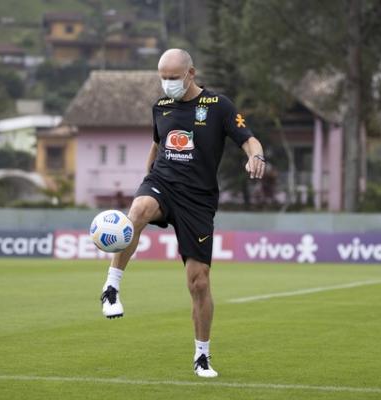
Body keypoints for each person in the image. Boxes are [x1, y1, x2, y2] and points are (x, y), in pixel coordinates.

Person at [100, 48, 265, 378]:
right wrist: (146, 179)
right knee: (140, 208)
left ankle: (201, 355)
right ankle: (111, 287)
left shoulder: (218, 107)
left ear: (191, 74)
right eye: (162, 78)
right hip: (163, 183)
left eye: (173, 78)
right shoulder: (160, 106)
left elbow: (249, 140)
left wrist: (256, 157)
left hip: (197, 200)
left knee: (198, 282)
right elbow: (157, 143)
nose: (167, 84)